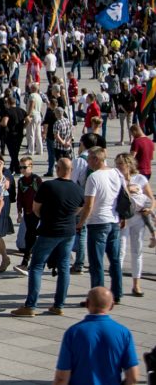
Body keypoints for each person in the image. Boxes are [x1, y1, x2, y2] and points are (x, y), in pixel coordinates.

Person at [11, 157, 85, 317]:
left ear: (57, 169)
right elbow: (79, 209)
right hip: (68, 232)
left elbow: (36, 208)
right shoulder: (78, 189)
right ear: (71, 171)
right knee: (64, 266)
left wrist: (44, 216)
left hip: (49, 230)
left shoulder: (48, 186)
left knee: (37, 266)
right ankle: (58, 305)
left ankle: (30, 305)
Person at [53, 287, 139, 385]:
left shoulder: (73, 332)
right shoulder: (123, 333)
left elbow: (61, 378)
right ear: (112, 305)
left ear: (87, 303)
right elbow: (133, 377)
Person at [76, 147, 123, 303]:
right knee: (114, 260)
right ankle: (116, 294)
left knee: (96, 262)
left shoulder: (94, 177)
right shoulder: (116, 173)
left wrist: (80, 223)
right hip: (114, 220)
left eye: (89, 158)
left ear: (96, 159)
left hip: (98, 222)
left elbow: (89, 205)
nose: (87, 162)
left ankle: (97, 299)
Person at [115, 152, 154, 298]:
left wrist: (150, 208)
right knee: (120, 252)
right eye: (117, 163)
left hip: (138, 218)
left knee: (137, 251)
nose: (118, 166)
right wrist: (127, 190)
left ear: (129, 165)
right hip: (123, 218)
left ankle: (136, 284)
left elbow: (151, 198)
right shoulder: (116, 178)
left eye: (121, 164)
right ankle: (116, 285)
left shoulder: (140, 178)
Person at [13, 156, 43, 274]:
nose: (22, 170)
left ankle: (26, 262)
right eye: (21, 167)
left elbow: (42, 196)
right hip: (27, 212)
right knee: (29, 236)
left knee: (31, 236)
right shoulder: (21, 181)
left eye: (25, 167)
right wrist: (19, 212)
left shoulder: (36, 180)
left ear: (31, 166)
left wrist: (40, 211)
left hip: (37, 212)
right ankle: (27, 262)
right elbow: (19, 197)